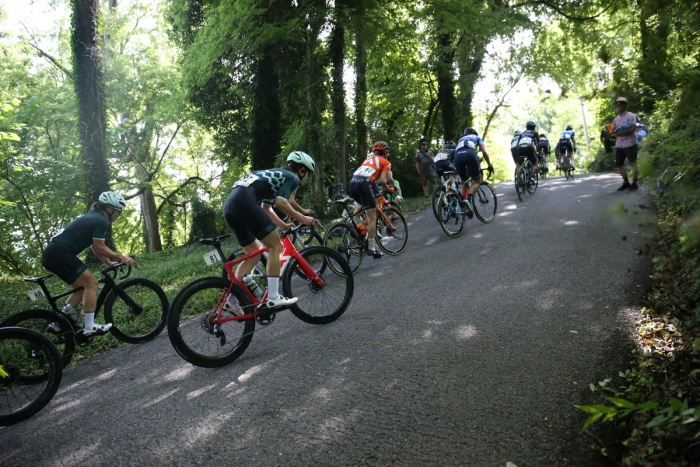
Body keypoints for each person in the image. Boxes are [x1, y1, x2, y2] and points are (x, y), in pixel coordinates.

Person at [224, 151, 317, 308]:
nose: (306, 178)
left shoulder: (274, 175)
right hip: (244, 203)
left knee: (252, 256)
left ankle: (231, 301)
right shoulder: (292, 178)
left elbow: (266, 208)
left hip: (230, 205)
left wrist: (283, 225)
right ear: (302, 170)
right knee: (276, 246)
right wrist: (302, 218)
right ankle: (273, 297)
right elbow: (281, 203)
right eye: (307, 174)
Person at [41, 192, 136, 336]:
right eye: (119, 211)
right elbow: (100, 248)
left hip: (52, 254)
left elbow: (95, 247)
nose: (120, 214)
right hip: (59, 253)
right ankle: (89, 326)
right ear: (109, 209)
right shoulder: (101, 221)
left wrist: (108, 262)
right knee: (91, 283)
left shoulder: (94, 217)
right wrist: (122, 257)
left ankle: (60, 322)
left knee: (80, 288)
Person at [349, 141, 396, 258]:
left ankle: (351, 224)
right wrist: (390, 188)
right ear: (385, 152)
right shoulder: (385, 162)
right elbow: (383, 180)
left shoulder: (367, 160)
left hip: (353, 183)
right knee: (372, 217)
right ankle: (371, 247)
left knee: (364, 204)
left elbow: (372, 178)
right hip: (365, 184)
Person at [454, 128, 494, 216]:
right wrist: (489, 164)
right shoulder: (477, 138)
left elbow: (461, 153)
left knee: (464, 181)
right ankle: (468, 200)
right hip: (469, 154)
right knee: (476, 181)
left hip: (457, 156)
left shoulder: (460, 140)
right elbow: (483, 152)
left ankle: (462, 204)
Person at [612, 96, 639, 191]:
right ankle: (626, 182)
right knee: (619, 164)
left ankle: (635, 182)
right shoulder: (616, 119)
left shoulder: (630, 115)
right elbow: (613, 130)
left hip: (630, 143)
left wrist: (621, 133)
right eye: (617, 103)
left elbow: (632, 129)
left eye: (621, 103)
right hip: (619, 145)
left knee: (633, 163)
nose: (619, 105)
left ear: (626, 104)